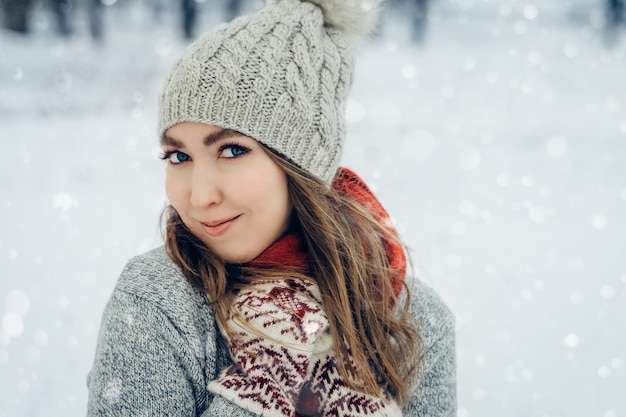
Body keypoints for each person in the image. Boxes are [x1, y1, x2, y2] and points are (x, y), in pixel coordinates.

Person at [86, 0, 456, 415]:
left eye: (232, 150)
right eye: (179, 157)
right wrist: (268, 390)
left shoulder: (411, 320)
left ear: (300, 166)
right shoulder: (158, 300)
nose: (198, 196)